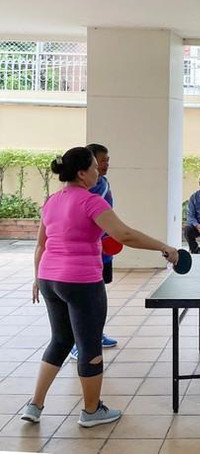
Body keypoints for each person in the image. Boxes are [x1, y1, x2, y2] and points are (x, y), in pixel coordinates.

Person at [21, 147, 179, 428]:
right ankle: (92, 411)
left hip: (49, 279)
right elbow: (125, 234)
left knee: (60, 341)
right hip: (81, 282)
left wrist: (37, 279)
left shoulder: (52, 201)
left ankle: (35, 405)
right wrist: (164, 247)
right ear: (82, 173)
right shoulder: (91, 202)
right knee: (89, 345)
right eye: (94, 167)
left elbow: (41, 245)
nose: (98, 171)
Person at [69, 144, 118, 361]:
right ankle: (77, 343)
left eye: (107, 160)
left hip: (103, 252)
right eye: (100, 162)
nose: (105, 165)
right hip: (83, 256)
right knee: (83, 303)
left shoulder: (104, 183)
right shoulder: (83, 194)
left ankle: (96, 335)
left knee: (98, 296)